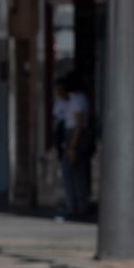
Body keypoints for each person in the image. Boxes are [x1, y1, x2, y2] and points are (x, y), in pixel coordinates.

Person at [52, 75, 91, 220]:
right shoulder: (71, 100)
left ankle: (77, 207)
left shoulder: (78, 99)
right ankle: (75, 206)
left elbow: (79, 124)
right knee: (73, 172)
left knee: (74, 173)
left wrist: (73, 146)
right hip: (71, 137)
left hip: (75, 138)